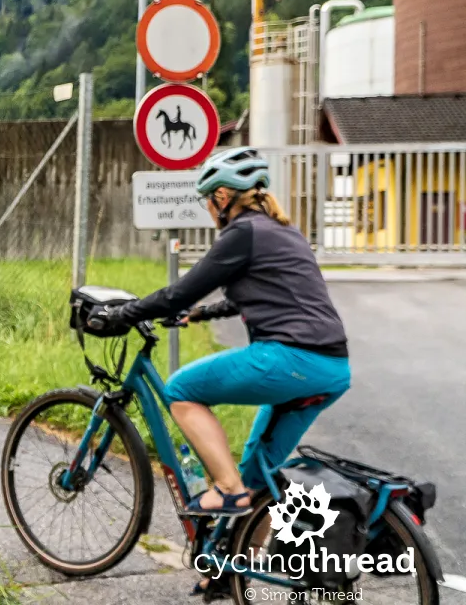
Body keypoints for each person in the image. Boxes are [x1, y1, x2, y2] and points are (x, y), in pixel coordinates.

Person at [88, 147, 350, 518]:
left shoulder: (242, 232)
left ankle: (227, 490)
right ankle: (229, 572)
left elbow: (179, 292)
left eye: (207, 201)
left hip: (290, 358)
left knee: (181, 390)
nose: (209, 210)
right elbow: (268, 293)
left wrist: (123, 314)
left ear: (222, 196)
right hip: (333, 369)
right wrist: (200, 315)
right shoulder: (282, 231)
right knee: (258, 476)